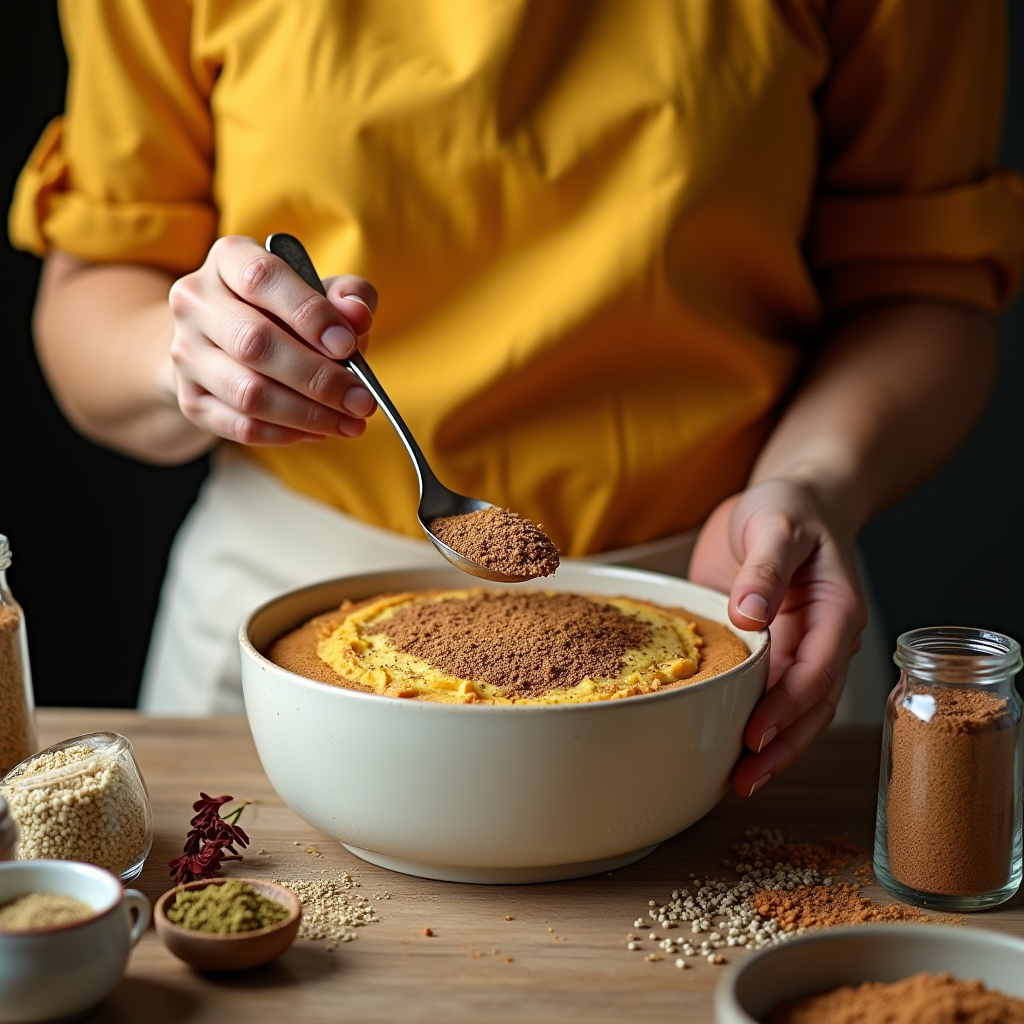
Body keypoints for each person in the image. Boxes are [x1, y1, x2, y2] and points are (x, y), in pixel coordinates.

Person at [10, 1, 1022, 799]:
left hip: (735, 624)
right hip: (278, 656)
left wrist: (815, 481)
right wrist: (185, 356)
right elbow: (92, 295)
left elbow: (921, 282)